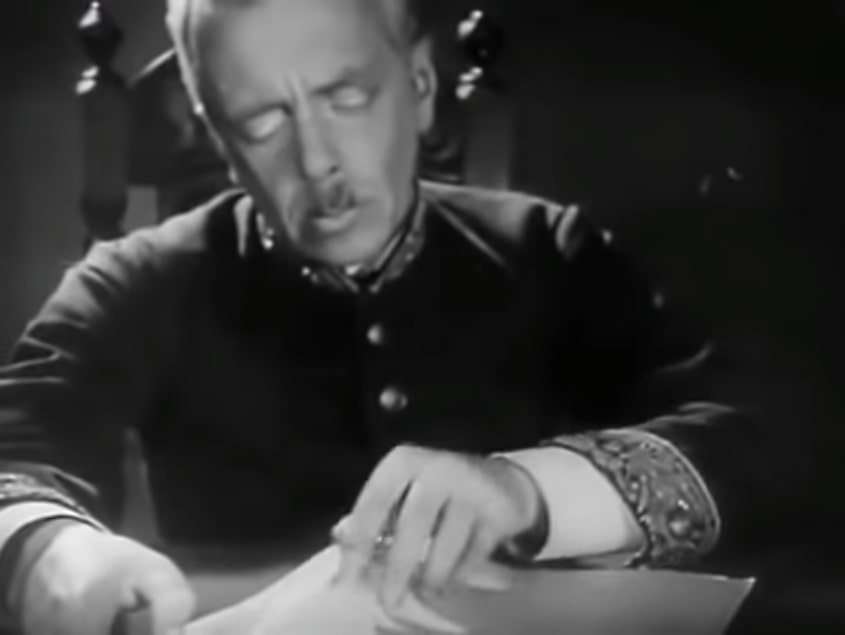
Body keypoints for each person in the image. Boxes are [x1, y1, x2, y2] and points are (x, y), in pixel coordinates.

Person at [0, 0, 786, 633]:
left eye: (345, 98)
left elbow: (756, 431)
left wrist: (530, 490)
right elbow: (15, 455)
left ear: (419, 85)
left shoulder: (550, 247)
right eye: (262, 122)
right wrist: (53, 557)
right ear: (218, 137)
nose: (316, 161)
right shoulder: (135, 279)